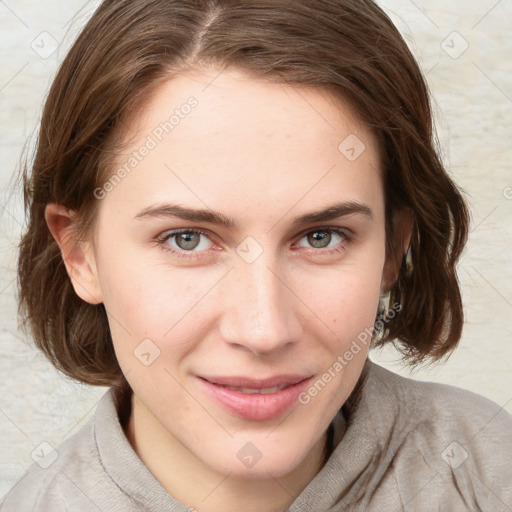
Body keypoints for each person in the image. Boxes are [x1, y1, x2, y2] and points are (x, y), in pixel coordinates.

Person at [2, 0, 511, 510]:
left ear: (392, 248)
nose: (263, 330)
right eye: (187, 239)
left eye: (321, 237)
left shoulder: (487, 472)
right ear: (79, 253)